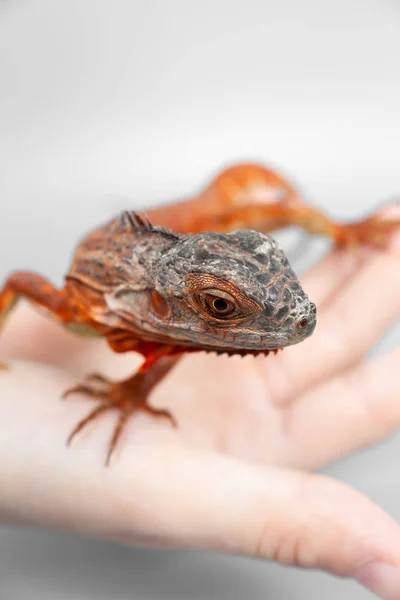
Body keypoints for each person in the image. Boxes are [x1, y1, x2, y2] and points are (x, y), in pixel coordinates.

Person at [0, 206, 399, 600]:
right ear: (157, 304)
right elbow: (19, 282)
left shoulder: (164, 323)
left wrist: (133, 390)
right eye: (221, 306)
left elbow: (171, 344)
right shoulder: (84, 307)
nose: (300, 318)